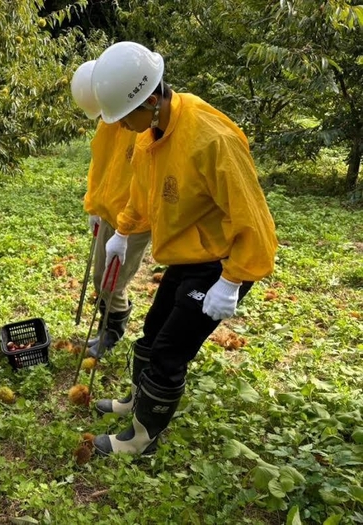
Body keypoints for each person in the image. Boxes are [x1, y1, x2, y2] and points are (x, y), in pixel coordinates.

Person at [89, 42, 278, 456]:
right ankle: (137, 404)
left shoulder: (213, 140)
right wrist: (123, 230)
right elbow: (142, 193)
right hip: (185, 255)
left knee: (171, 351)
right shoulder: (151, 132)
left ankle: (143, 438)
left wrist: (232, 279)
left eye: (125, 116)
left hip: (218, 263)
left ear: (152, 100)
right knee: (153, 333)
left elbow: (255, 220)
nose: (120, 127)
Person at [71, 60, 151, 359]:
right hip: (109, 210)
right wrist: (94, 205)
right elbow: (101, 165)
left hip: (133, 220)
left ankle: (113, 332)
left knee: (113, 282)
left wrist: (125, 228)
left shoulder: (140, 123)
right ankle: (105, 325)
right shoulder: (110, 122)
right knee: (99, 279)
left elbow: (144, 183)